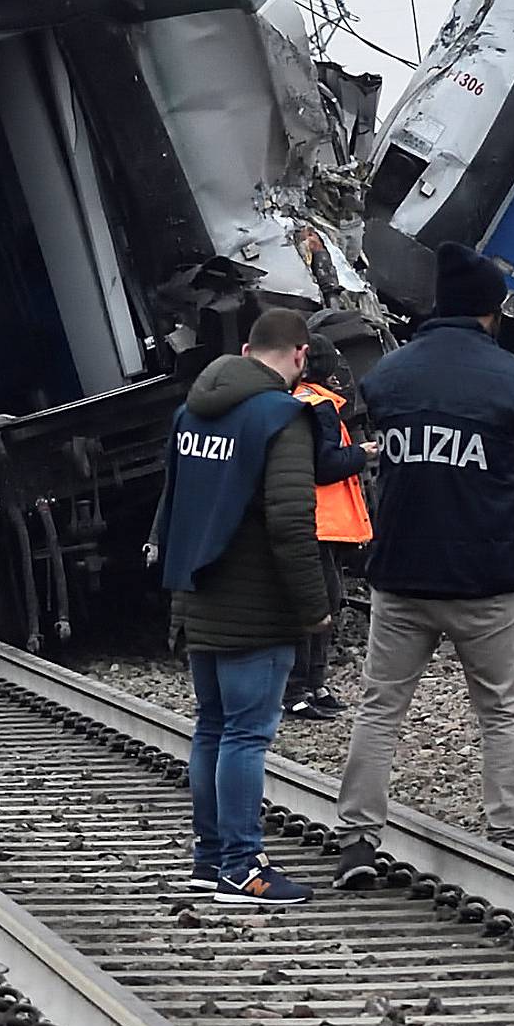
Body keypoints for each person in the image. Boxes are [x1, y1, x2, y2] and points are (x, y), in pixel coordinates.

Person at [333, 242, 514, 887]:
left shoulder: (392, 375)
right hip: (487, 576)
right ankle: (512, 838)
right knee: (501, 709)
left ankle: (357, 837)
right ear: (491, 312)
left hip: (401, 574)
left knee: (380, 707)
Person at [153, 306, 329, 907]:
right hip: (256, 605)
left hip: (199, 595)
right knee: (247, 737)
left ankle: (209, 860)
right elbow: (290, 523)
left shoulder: (190, 412)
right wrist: (315, 606)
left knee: (212, 729)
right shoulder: (282, 418)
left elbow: (173, 505)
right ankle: (240, 866)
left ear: (251, 349)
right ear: (300, 356)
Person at [282, 331, 376, 722]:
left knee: (323, 601)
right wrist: (361, 453)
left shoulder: (298, 401)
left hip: (315, 520)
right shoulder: (319, 407)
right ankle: (301, 688)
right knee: (320, 603)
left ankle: (311, 684)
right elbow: (326, 465)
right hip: (319, 521)